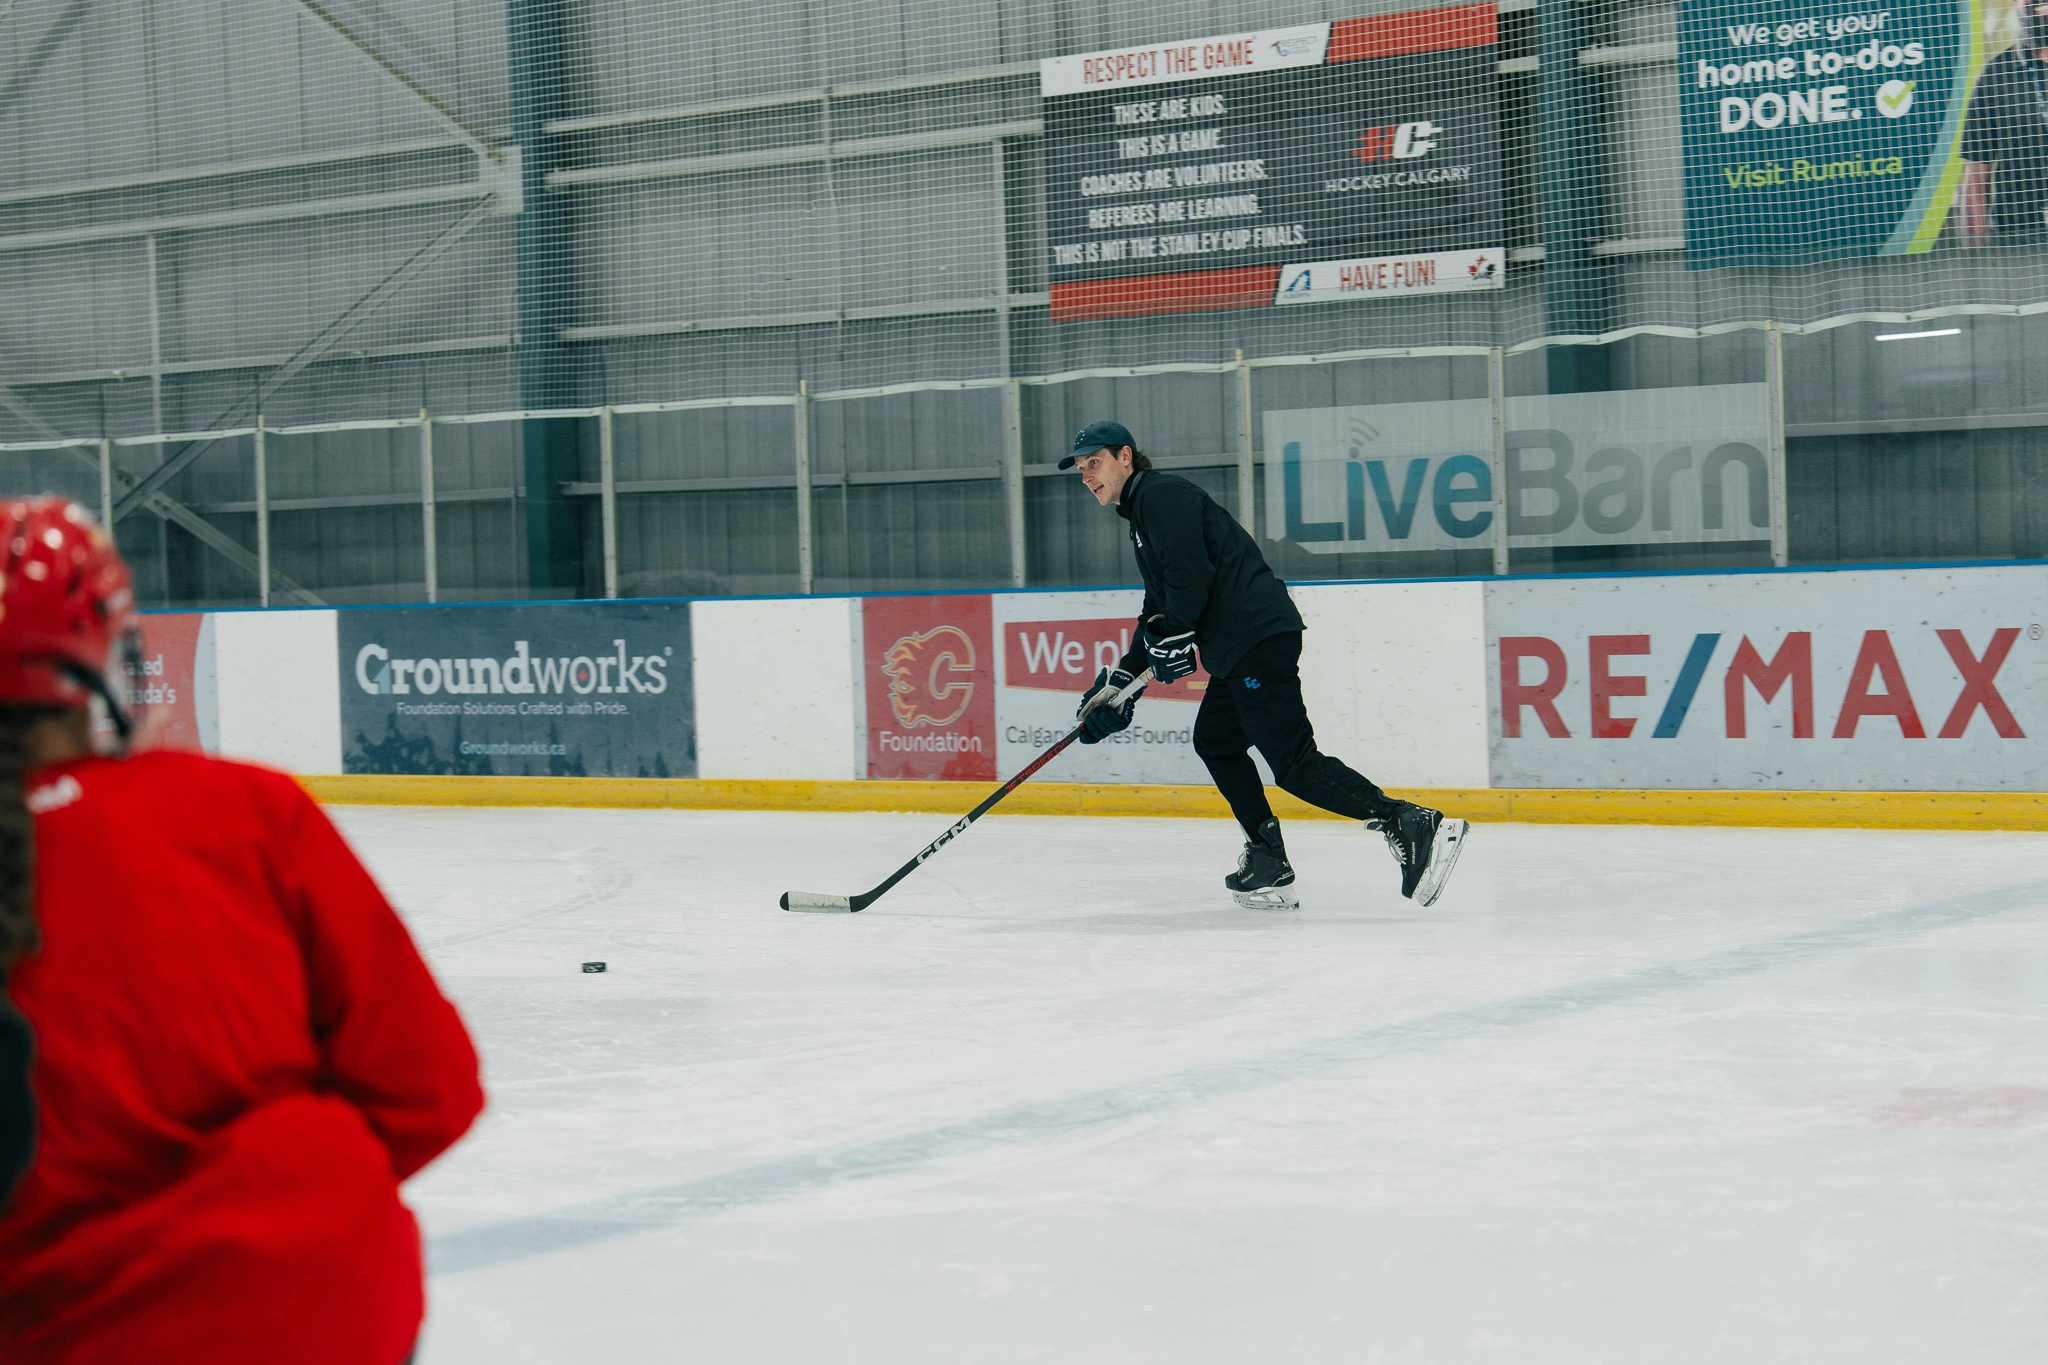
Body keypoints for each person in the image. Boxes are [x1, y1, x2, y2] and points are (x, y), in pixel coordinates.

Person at [0, 497, 483, 1364]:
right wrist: (284, 1210)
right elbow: (431, 1092)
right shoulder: (243, 810)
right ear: (109, 652)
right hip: (331, 1300)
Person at [1063, 421, 1468, 909]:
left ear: (1125, 456)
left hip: (1253, 639)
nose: (1087, 476)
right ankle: (1268, 859)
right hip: (1240, 647)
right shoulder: (1142, 516)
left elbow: (1190, 579)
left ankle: (1408, 821)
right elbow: (1162, 600)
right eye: (1082, 469)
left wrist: (1172, 632)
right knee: (1215, 740)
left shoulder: (1160, 496)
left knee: (1294, 763)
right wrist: (1126, 681)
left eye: (1095, 463)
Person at [1960, 1, 2048, 245]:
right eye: (2033, 3)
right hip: (2019, 240)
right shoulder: (1995, 75)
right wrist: (1976, 260)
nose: (2041, 10)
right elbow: (1976, 175)